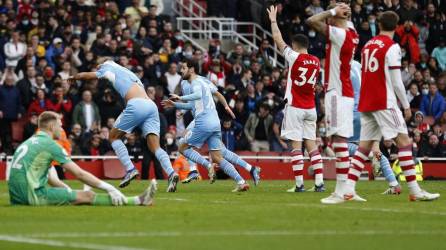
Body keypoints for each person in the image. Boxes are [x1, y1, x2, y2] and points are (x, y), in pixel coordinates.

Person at [341, 11, 439, 204]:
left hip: (366, 103)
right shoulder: (392, 47)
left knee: (364, 147)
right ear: (397, 27)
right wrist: (405, 105)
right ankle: (414, 190)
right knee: (404, 142)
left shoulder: (368, 45)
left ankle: (349, 189)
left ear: (379, 25)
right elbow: (396, 81)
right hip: (384, 102)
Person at [68, 58, 179, 191]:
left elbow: (88, 75)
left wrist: (75, 77)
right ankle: (172, 173)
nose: (97, 67)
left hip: (136, 104)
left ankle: (130, 169)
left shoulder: (107, 68)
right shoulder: (128, 72)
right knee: (155, 147)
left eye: (98, 64)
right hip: (151, 106)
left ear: (104, 63)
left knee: (113, 137)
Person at [8, 111, 156, 206]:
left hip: (16, 198)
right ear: (52, 126)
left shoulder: (28, 143)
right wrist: (110, 188)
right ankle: (137, 201)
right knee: (88, 195)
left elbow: (51, 179)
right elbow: (79, 174)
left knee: (76, 197)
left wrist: (69, 194)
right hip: (31, 196)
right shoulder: (50, 145)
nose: (62, 129)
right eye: (60, 126)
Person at [162, 60, 251, 192]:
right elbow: (193, 104)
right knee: (218, 156)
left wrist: (180, 98)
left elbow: (200, 95)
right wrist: (176, 105)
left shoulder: (196, 83)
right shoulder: (199, 82)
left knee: (182, 145)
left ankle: (203, 167)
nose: (181, 71)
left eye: (184, 68)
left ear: (191, 70)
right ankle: (241, 181)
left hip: (203, 121)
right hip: (214, 122)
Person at [267, 5, 325, 193]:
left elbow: (277, 39)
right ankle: (319, 183)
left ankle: (299, 184)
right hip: (311, 109)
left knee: (296, 146)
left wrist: (274, 20)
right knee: (312, 145)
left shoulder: (294, 57)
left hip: (295, 107)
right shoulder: (316, 62)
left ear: (295, 45)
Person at [306, 2, 359, 203]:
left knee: (339, 142)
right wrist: (341, 12)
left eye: (332, 16)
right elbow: (346, 20)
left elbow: (311, 20)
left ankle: (340, 192)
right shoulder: (352, 32)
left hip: (337, 93)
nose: (328, 19)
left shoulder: (340, 35)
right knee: (341, 141)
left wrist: (333, 11)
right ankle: (349, 190)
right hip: (344, 91)